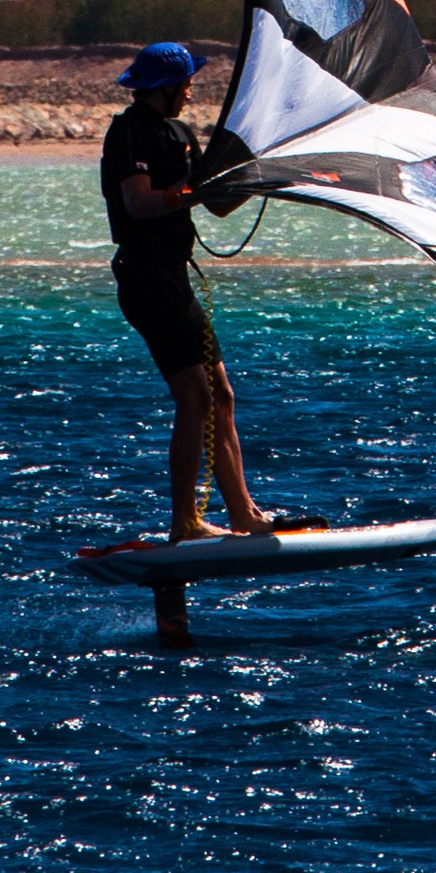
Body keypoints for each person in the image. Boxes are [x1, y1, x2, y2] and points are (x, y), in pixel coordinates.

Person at [98, 40, 272, 541]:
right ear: (165, 87)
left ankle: (243, 514)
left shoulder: (179, 132)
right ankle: (185, 523)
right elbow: (139, 203)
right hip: (146, 278)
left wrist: (260, 181)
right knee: (195, 398)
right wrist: (190, 191)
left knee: (221, 395)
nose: (192, 92)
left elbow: (215, 205)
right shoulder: (130, 131)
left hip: (173, 278)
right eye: (187, 84)